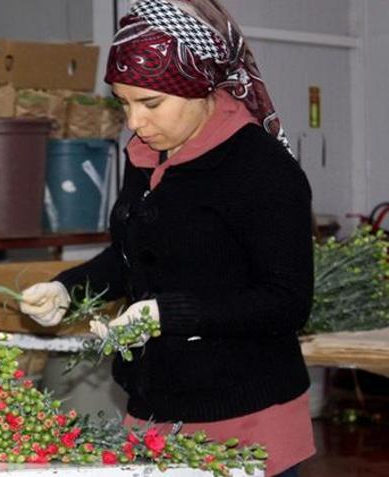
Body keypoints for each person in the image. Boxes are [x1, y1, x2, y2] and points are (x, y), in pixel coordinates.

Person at [20, 1, 314, 475]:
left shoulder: (261, 169)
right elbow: (133, 254)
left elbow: (285, 302)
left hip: (245, 420)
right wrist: (66, 289)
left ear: (200, 87)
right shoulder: (147, 156)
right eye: (123, 102)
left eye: (150, 103)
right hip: (155, 406)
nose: (134, 122)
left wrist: (165, 314)